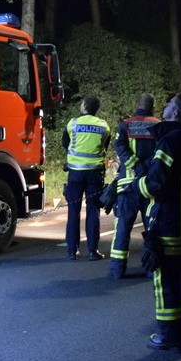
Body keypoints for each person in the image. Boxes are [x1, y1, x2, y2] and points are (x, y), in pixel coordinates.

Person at [121, 93, 181, 351]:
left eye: (169, 105)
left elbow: (154, 184)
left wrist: (130, 185)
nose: (164, 107)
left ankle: (170, 336)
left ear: (175, 114)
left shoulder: (169, 142)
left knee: (165, 284)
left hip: (169, 227)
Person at [108, 93, 160, 279]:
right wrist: (146, 170)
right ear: (153, 107)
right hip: (150, 186)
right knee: (152, 228)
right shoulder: (159, 125)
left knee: (122, 227)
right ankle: (151, 269)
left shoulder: (126, 124)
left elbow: (120, 147)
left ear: (138, 105)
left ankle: (117, 270)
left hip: (127, 186)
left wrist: (134, 165)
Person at [61, 94, 110, 260]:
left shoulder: (73, 123)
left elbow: (65, 143)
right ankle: (92, 251)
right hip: (94, 174)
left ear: (85, 106)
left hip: (75, 173)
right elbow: (105, 144)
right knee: (93, 211)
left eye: (82, 104)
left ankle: (71, 252)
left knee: (73, 212)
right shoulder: (104, 126)